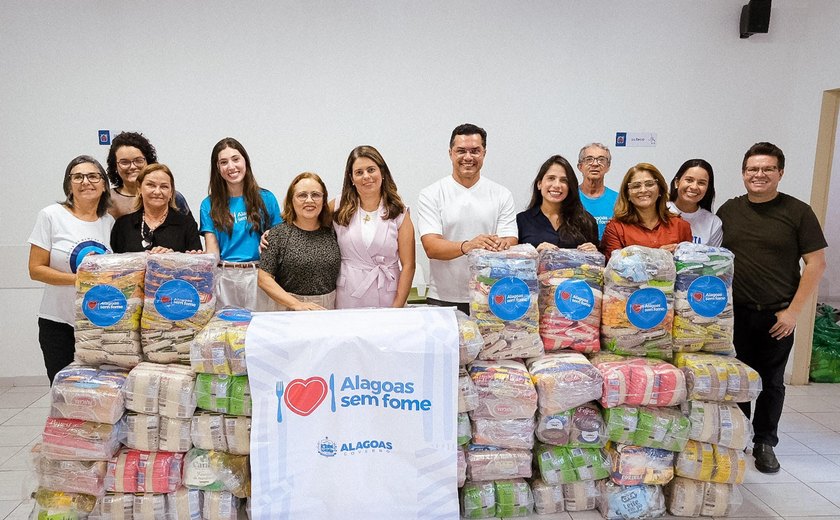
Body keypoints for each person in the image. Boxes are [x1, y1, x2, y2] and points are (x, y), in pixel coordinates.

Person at [717, 142, 827, 474]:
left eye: (767, 169)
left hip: (778, 314)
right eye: (753, 169)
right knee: (737, 381)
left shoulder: (798, 212)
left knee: (771, 381)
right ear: (743, 173)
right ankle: (739, 436)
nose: (759, 175)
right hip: (734, 313)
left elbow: (816, 264)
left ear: (780, 172)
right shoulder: (729, 210)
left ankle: (765, 442)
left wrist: (793, 312)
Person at [28, 156, 114, 383]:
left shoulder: (109, 222)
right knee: (63, 391)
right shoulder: (51, 215)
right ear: (69, 185)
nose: (86, 181)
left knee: (95, 393)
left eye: (94, 176)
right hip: (58, 323)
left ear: (104, 184)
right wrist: (79, 280)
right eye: (78, 177)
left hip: (97, 323)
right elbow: (36, 269)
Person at [417, 123, 518, 314]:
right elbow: (431, 247)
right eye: (461, 151)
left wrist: (498, 244)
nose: (468, 157)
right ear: (450, 153)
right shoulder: (431, 194)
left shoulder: (501, 194)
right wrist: (468, 246)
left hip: (492, 296)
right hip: (443, 299)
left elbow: (510, 239)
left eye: (475, 151)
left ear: (484, 153)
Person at [199, 137, 282, 310]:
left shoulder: (266, 198)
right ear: (218, 168)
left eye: (236, 159)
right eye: (223, 162)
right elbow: (212, 249)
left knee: (260, 330)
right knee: (228, 332)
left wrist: (271, 236)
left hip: (258, 275)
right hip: (225, 276)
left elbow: (279, 241)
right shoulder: (208, 204)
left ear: (245, 161)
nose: (231, 167)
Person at [332, 146, 416, 308]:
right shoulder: (337, 206)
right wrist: (273, 233)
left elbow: (408, 265)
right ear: (351, 178)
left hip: (389, 294)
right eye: (359, 172)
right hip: (349, 292)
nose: (366, 176)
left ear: (382, 173)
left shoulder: (399, 212)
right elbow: (306, 222)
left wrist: (397, 307)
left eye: (371, 170)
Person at [259, 173, 341, 310]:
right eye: (302, 195)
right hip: (288, 309)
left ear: (324, 199)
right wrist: (297, 305)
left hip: (327, 310)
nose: (309, 200)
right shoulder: (278, 234)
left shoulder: (334, 232)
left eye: (316, 195)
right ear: (291, 200)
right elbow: (263, 279)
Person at [600, 162, 692, 261]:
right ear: (627, 194)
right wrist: (656, 256)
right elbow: (615, 270)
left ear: (660, 190)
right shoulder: (616, 228)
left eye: (649, 184)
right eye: (636, 186)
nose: (643, 190)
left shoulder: (680, 226)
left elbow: (688, 270)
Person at [111, 163, 202, 253]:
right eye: (151, 185)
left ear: (171, 192)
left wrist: (174, 260)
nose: (157, 192)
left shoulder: (187, 224)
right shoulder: (122, 225)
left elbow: (198, 265)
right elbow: (113, 264)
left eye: (164, 186)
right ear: (139, 189)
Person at [517, 154, 598, 252]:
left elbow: (597, 264)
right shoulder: (521, 221)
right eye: (551, 178)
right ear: (539, 184)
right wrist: (534, 254)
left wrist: (594, 253)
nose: (557, 185)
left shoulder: (587, 221)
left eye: (564, 180)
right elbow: (514, 262)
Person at [106, 131, 190, 219]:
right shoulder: (106, 200)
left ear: (148, 162)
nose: (132, 167)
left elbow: (189, 229)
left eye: (138, 160)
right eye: (124, 162)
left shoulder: (172, 197)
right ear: (115, 166)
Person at [667, 159, 723, 246]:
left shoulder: (713, 223)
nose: (694, 187)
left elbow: (715, 258)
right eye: (689, 180)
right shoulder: (659, 211)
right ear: (677, 182)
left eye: (701, 183)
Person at [577, 142, 619, 239]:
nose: (595, 164)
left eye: (601, 160)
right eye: (589, 159)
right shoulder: (569, 197)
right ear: (580, 166)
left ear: (608, 167)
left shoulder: (618, 200)